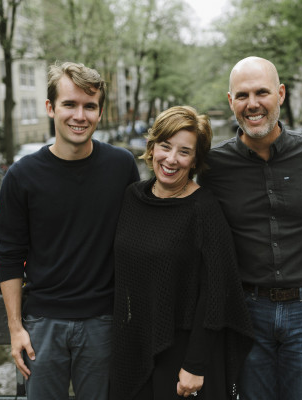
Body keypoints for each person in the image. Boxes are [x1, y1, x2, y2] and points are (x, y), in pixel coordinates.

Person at [0, 61, 140, 399]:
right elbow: (10, 255)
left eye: (90, 106)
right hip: (42, 325)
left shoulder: (121, 167)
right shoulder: (21, 176)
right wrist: (16, 328)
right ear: (50, 108)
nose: (80, 115)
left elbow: (140, 236)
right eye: (70, 104)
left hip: (104, 322)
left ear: (100, 112)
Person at [198, 56, 302, 400]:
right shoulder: (214, 166)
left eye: (262, 92)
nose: (253, 104)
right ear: (230, 102)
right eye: (242, 95)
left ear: (281, 94)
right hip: (246, 311)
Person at [109, 106, 254, 399]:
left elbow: (216, 292)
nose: (171, 159)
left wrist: (195, 364)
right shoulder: (133, 197)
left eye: (184, 152)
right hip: (135, 346)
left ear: (195, 160)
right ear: (152, 148)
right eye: (165, 146)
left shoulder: (204, 209)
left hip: (184, 357)